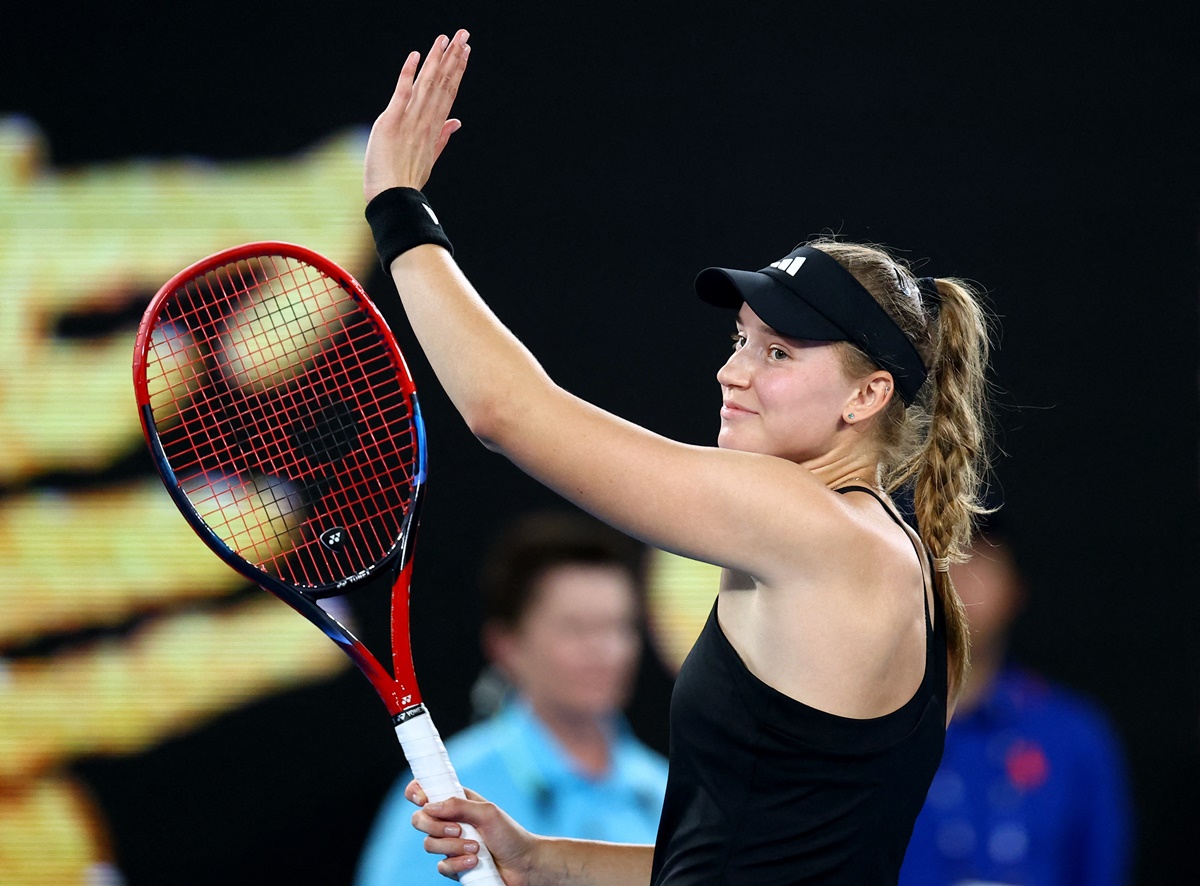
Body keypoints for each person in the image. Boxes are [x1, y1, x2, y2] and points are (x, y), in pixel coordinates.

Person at [362, 30, 992, 884]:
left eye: (778, 354)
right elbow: (747, 857)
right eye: (740, 340)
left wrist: (398, 208)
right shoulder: (869, 550)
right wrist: (544, 858)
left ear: (867, 396)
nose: (732, 371)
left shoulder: (812, 528)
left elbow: (506, 411)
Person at [354, 510, 669, 886]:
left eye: (618, 626)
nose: (606, 650)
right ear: (507, 645)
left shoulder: (669, 790)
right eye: (576, 628)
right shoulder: (448, 791)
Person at [899, 514, 1133, 886]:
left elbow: (1100, 870)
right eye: (947, 558)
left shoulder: (1074, 736)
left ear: (1016, 591)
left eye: (982, 560)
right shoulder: (868, 730)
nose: (963, 576)